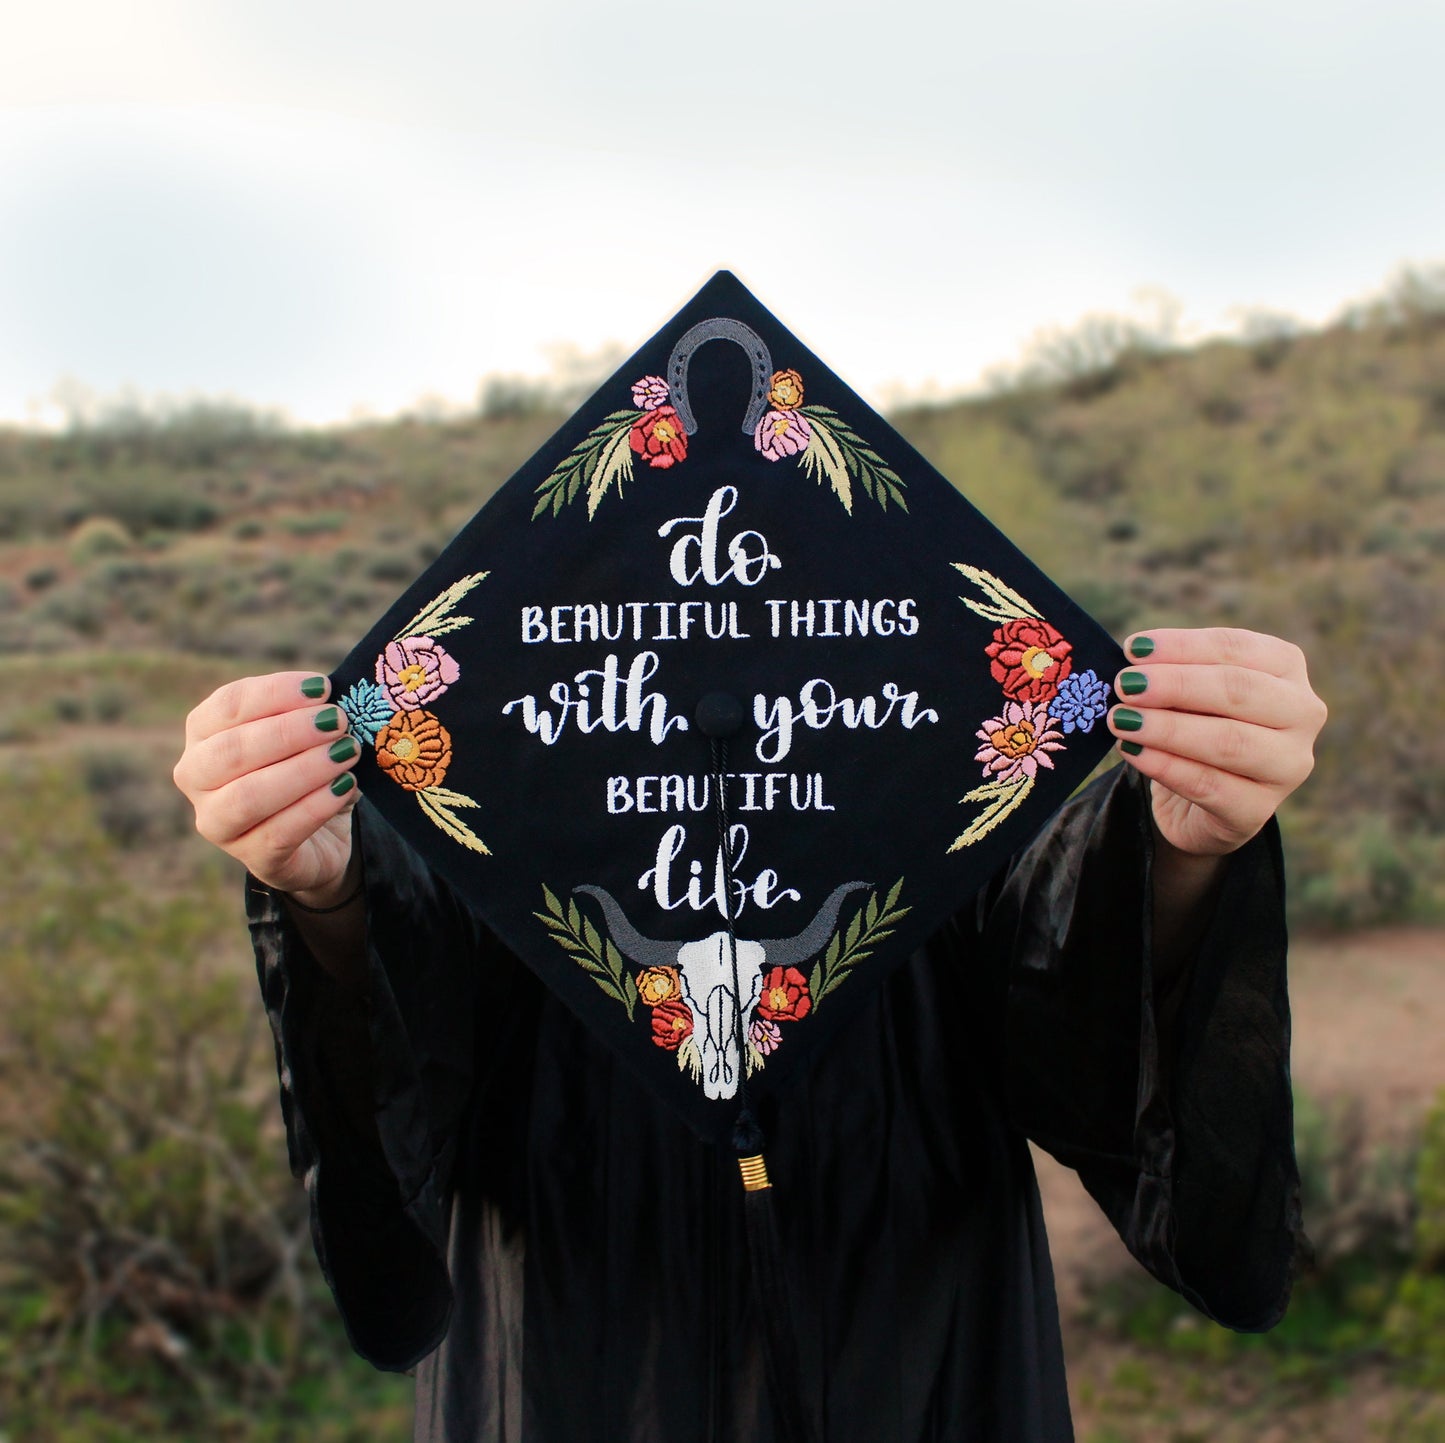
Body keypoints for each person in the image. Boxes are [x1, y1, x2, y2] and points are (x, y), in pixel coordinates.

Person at [174, 626, 1326, 1443]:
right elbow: (411, 1008)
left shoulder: (917, 769)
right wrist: (327, 889)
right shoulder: (509, 779)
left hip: (913, 1335)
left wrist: (1181, 845)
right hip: (573, 1348)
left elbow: (1063, 976)